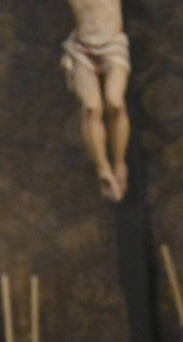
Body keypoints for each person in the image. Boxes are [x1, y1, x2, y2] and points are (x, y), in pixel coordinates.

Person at [62, 0, 131, 202]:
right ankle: (103, 168)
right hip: (81, 48)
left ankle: (119, 164)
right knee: (91, 108)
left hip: (113, 45)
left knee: (115, 102)